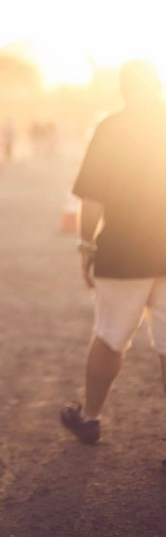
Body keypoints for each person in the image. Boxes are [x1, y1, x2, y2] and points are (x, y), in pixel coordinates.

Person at [60, 59, 166, 448]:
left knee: (110, 337)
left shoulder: (111, 127)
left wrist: (86, 246)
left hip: (124, 253)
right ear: (157, 85)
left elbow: (93, 198)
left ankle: (90, 418)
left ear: (124, 89)